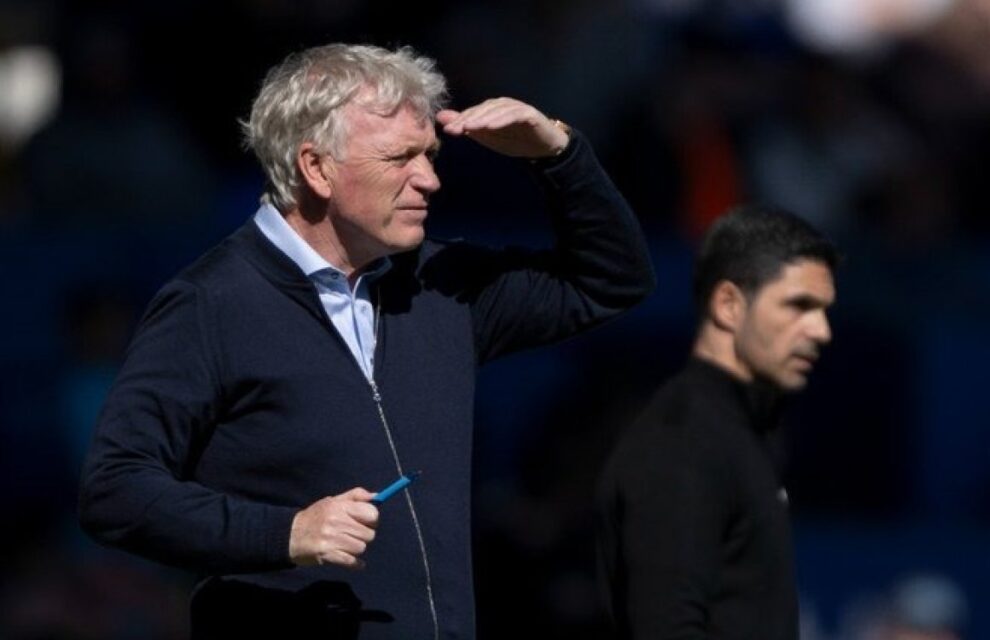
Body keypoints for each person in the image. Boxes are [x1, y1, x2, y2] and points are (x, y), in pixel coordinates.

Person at [78, 43, 655, 639]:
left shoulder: (440, 285)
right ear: (316, 167)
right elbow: (115, 490)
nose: (429, 179)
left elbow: (612, 280)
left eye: (430, 154)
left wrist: (558, 153)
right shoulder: (211, 302)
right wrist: (287, 533)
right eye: (400, 157)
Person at [595, 204, 838, 640]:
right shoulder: (682, 441)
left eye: (823, 310)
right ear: (728, 305)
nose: (821, 331)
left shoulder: (740, 430)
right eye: (799, 305)